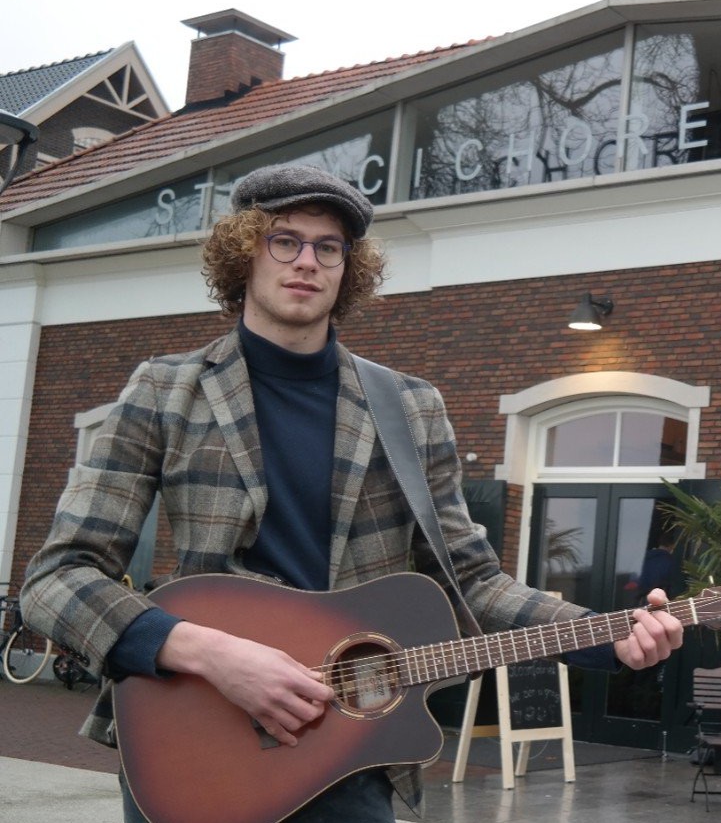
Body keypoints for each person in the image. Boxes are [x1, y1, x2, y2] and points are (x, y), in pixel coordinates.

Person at [20, 165, 685, 822]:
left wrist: (601, 635)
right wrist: (213, 653)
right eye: (285, 239)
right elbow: (57, 578)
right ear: (244, 252)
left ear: (348, 268)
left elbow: (472, 581)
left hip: (352, 754)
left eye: (328, 247)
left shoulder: (409, 406)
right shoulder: (165, 391)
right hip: (197, 748)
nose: (307, 260)